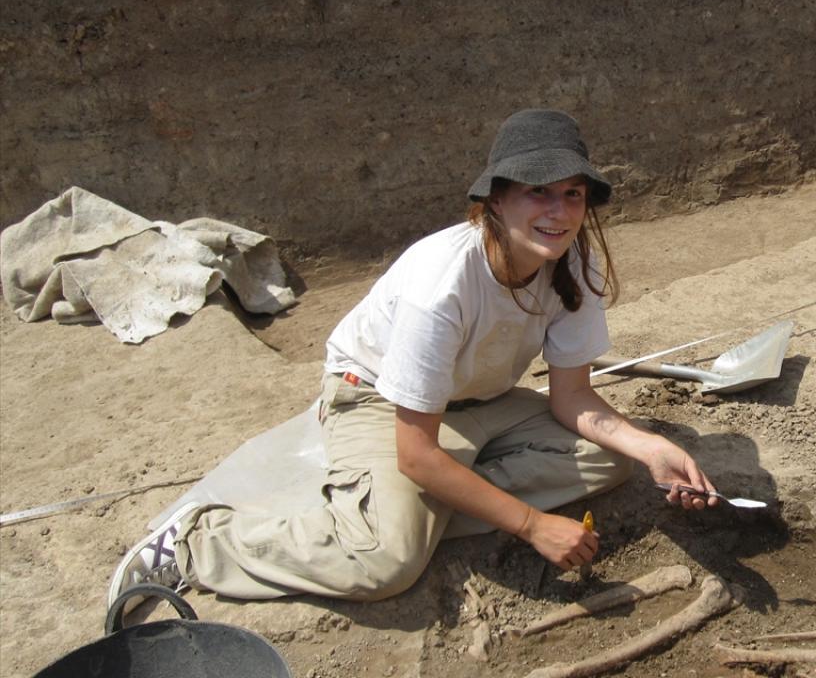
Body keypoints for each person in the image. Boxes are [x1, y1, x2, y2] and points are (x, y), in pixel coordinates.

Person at [106, 108, 719, 611]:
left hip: (476, 404)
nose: (558, 212)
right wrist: (531, 524)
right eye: (538, 191)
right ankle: (198, 541)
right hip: (376, 399)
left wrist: (652, 449)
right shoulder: (442, 284)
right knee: (386, 563)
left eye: (572, 194)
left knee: (612, 459)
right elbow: (416, 453)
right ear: (497, 200)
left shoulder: (572, 262)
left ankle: (406, 509)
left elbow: (573, 397)